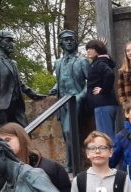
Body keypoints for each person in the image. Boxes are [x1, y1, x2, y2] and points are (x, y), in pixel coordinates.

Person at [0, 29, 46, 127]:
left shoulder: (13, 63)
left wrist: (33, 94)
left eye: (12, 41)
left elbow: (19, 82)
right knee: (6, 134)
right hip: (2, 106)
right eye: (7, 40)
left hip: (17, 105)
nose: (11, 44)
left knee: (25, 132)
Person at [50, 30, 90, 173]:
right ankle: (73, 163)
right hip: (62, 102)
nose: (68, 42)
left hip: (76, 101)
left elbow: (90, 82)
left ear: (75, 42)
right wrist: (55, 88)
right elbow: (62, 79)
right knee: (66, 135)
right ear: (61, 43)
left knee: (69, 131)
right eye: (66, 40)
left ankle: (71, 165)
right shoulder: (58, 62)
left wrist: (80, 96)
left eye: (71, 39)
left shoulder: (82, 61)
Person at [0, 122, 71, 192]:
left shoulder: (51, 168)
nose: (3, 145)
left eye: (7, 140)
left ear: (21, 138)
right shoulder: (1, 178)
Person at [85, 39, 119, 136]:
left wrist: (103, 90)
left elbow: (109, 74)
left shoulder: (99, 63)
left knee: (105, 138)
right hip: (106, 104)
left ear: (98, 50)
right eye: (87, 49)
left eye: (91, 48)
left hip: (102, 105)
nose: (88, 51)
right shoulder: (103, 61)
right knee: (108, 136)